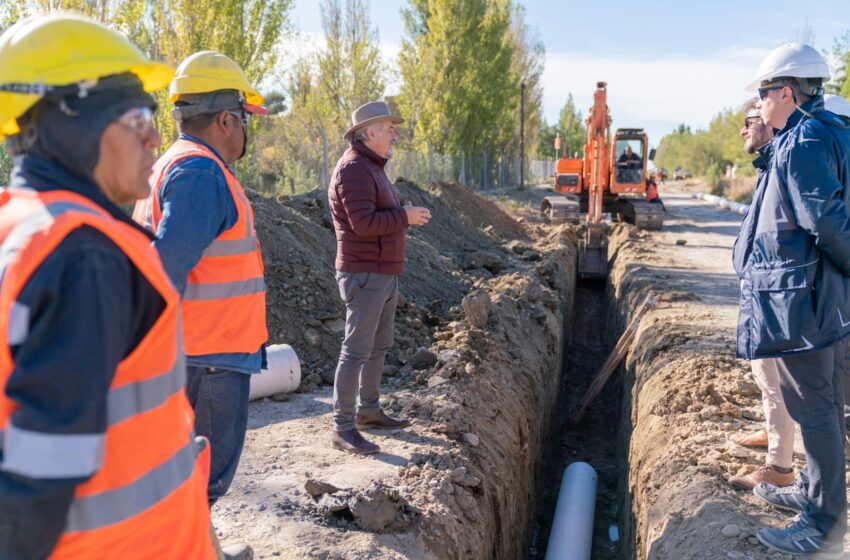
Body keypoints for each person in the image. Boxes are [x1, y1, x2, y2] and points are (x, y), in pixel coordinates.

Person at [0, 14, 215, 558]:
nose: (154, 137)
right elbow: (38, 476)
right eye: (137, 115)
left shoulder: (21, 224)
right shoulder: (86, 256)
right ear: (74, 124)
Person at [133, 51, 269, 507]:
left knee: (189, 478)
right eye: (247, 119)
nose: (248, 131)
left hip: (198, 352)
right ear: (227, 120)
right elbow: (166, 265)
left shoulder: (174, 164)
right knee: (202, 480)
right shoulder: (200, 173)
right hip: (209, 356)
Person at [738, 42, 849, 557]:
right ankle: (812, 489)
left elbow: (827, 223)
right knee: (815, 403)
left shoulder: (806, 141)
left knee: (815, 405)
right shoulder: (807, 136)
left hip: (802, 300)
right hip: (801, 296)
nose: (759, 103)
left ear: (785, 91)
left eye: (763, 93)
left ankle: (822, 521)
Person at [327, 101, 431, 454]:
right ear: (369, 132)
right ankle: (342, 428)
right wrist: (404, 216)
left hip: (382, 272)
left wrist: (402, 213)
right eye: (389, 128)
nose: (395, 134)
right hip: (364, 273)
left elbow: (376, 215)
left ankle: (368, 411)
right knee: (355, 351)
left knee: (378, 345)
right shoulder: (354, 170)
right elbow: (364, 224)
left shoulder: (372, 167)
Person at [729, 98, 796, 491]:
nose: (743, 129)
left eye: (749, 121)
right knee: (765, 371)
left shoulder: (788, 165)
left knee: (777, 375)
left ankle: (780, 467)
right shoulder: (770, 165)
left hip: (777, 292)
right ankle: (775, 436)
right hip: (763, 287)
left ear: (769, 122)